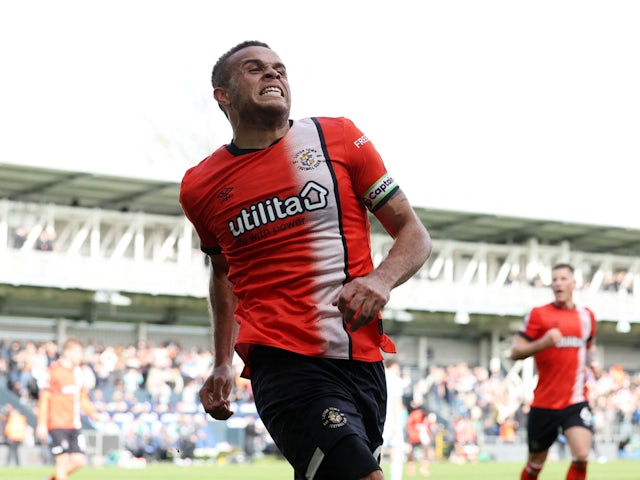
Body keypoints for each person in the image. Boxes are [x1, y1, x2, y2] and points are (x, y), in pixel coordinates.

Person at [180, 40, 432, 480]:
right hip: (283, 362)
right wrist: (222, 360)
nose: (273, 75)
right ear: (222, 94)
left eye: (279, 69)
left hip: (361, 359)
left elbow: (414, 233)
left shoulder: (338, 138)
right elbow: (223, 271)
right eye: (254, 69)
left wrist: (381, 279)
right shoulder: (201, 185)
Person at [510, 263, 601, 480]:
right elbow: (515, 352)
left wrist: (594, 364)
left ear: (573, 283)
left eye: (563, 279)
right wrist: (543, 342)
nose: (558, 283)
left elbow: (589, 345)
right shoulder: (538, 315)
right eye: (554, 279)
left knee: (581, 454)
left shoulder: (587, 316)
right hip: (544, 403)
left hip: (575, 400)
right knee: (535, 464)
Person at [36, 337, 101, 480]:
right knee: (62, 461)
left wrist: (93, 413)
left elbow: (82, 397)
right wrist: (41, 424)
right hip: (57, 423)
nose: (81, 356)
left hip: (74, 424)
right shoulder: (53, 371)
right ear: (67, 352)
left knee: (79, 461)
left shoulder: (78, 372)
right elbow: (45, 398)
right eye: (78, 352)